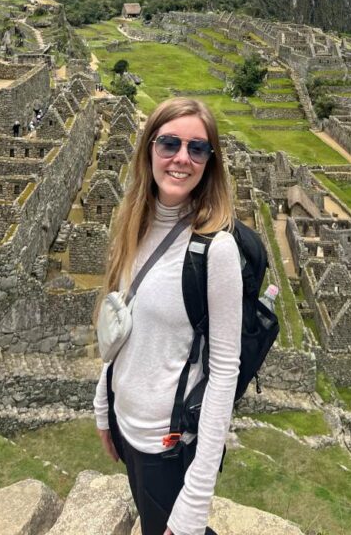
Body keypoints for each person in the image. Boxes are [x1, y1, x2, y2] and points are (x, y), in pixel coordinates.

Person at [93, 97, 242, 535]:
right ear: (149, 151)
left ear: (210, 163)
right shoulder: (133, 225)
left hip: (168, 443)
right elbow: (121, 328)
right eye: (170, 143)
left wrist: (196, 500)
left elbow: (224, 373)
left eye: (197, 149)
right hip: (128, 429)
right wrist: (105, 407)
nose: (182, 158)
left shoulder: (216, 250)